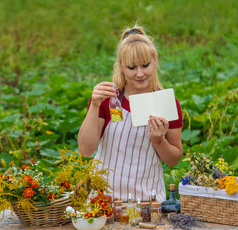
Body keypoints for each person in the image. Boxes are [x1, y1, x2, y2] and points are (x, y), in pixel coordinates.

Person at [77, 25, 183, 203]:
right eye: (132, 67)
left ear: (155, 60)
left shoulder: (166, 102)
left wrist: (158, 140)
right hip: (102, 201)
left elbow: (173, 159)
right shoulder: (107, 99)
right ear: (121, 67)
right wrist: (94, 105)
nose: (140, 73)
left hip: (147, 203)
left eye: (145, 65)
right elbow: (85, 150)